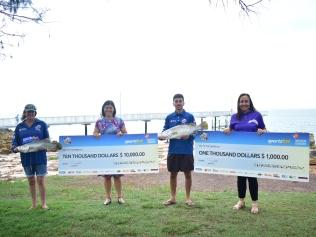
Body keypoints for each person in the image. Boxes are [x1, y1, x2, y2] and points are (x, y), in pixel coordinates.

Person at [224, 93, 267, 214]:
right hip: (238, 152)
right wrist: (228, 130)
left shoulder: (257, 115)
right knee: (241, 178)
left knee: (252, 178)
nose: (243, 103)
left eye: (246, 101)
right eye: (241, 101)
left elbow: (265, 130)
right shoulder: (234, 117)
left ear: (250, 102)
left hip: (253, 152)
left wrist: (262, 131)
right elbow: (231, 130)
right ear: (238, 103)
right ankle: (241, 201)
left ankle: (254, 203)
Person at [159, 94, 195, 206]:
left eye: (180, 101)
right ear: (173, 103)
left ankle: (188, 198)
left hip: (187, 150)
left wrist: (189, 136)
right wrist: (162, 136)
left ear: (184, 102)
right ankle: (173, 198)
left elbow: (195, 132)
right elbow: (165, 131)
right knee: (172, 174)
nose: (178, 103)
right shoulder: (169, 117)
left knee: (188, 174)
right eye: (176, 101)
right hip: (173, 150)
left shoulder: (189, 116)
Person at [11, 104, 50, 209]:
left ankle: (43, 204)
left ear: (35, 113)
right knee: (31, 181)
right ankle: (33, 204)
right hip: (26, 158)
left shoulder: (42, 124)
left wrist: (48, 146)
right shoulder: (19, 127)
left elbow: (47, 140)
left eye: (32, 112)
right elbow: (15, 142)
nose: (30, 114)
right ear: (25, 113)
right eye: (28, 112)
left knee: (40, 180)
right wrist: (14, 148)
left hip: (40, 156)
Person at [93, 100, 127, 205]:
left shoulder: (119, 120)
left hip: (117, 152)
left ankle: (120, 197)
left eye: (110, 107)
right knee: (107, 176)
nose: (108, 109)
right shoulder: (99, 122)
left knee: (117, 176)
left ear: (113, 109)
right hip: (104, 152)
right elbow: (95, 132)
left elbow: (125, 133)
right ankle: (108, 198)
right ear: (103, 109)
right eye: (106, 107)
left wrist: (121, 133)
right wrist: (96, 135)